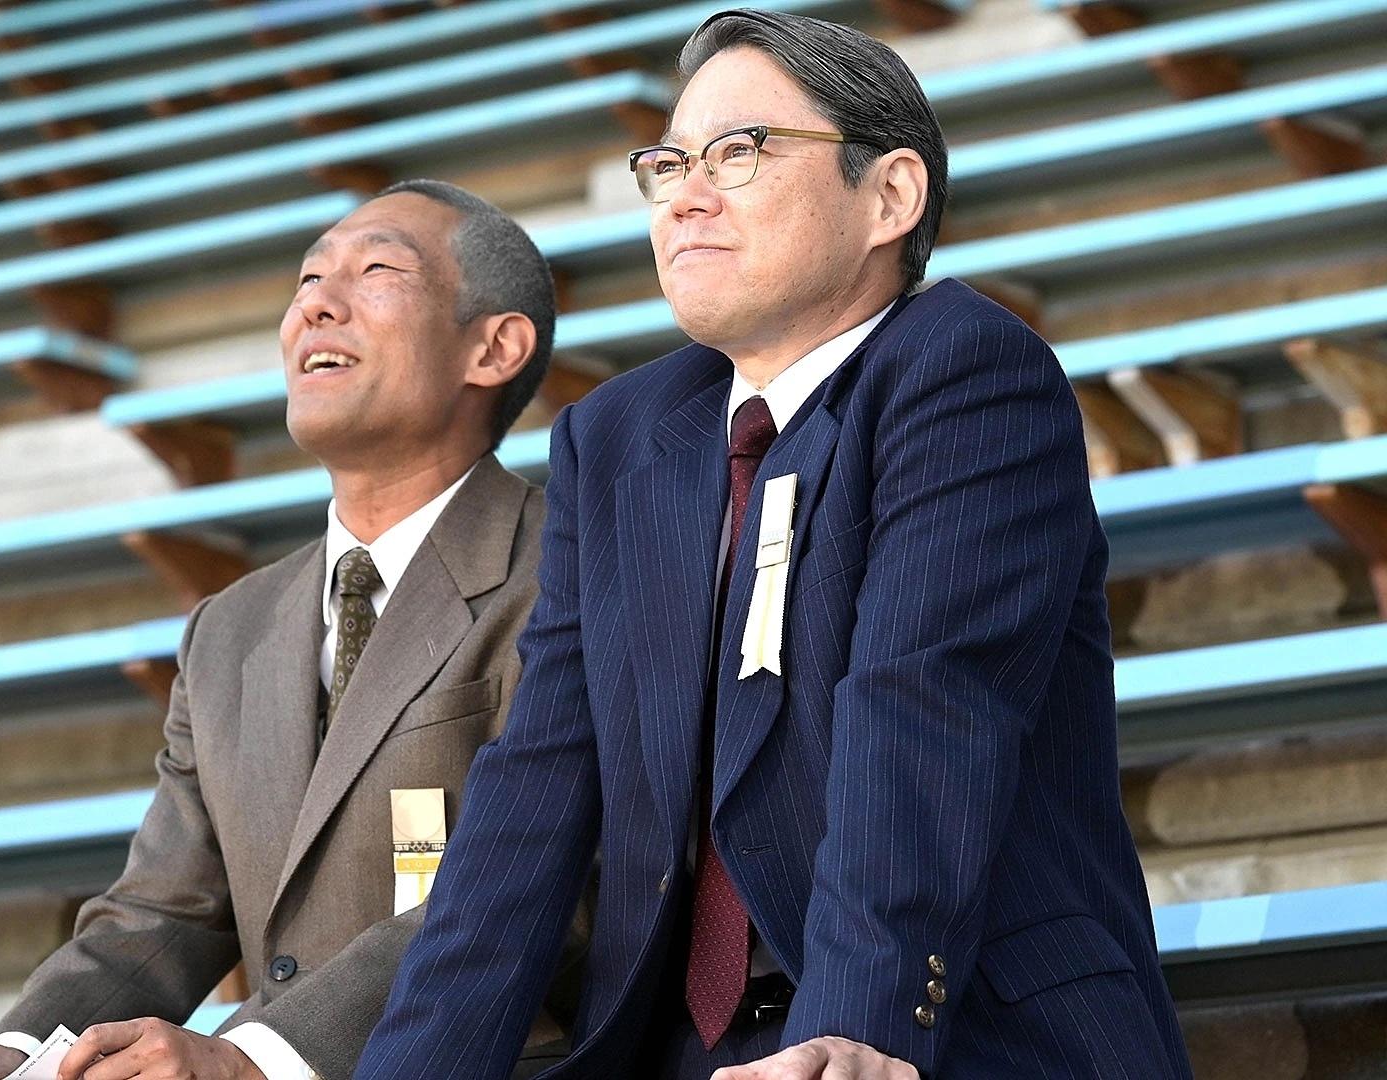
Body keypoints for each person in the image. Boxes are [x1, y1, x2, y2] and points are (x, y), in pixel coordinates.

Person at [354, 10, 1192, 1080]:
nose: (685, 196)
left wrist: (856, 1030)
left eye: (739, 152)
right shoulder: (617, 438)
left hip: (943, 1034)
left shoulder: (964, 371)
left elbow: (927, 706)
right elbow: (536, 790)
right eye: (669, 166)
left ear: (889, 195)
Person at [0, 179, 582, 1080]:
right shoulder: (228, 629)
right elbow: (164, 914)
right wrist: (23, 1050)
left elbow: (548, 882)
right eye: (308, 278)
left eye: (376, 271)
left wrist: (257, 1057)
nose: (317, 304)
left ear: (494, 348)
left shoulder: (575, 571)